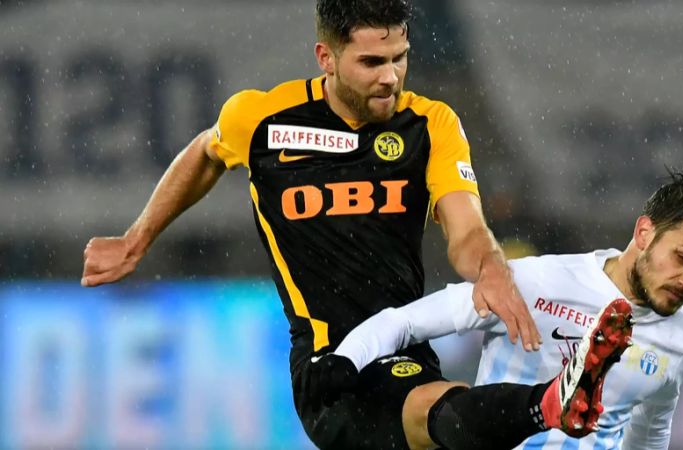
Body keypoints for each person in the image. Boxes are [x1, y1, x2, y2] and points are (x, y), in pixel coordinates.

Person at [76, 0, 609, 448]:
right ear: (326, 58)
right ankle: (549, 405)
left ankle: (552, 404)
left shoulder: (431, 124)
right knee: (436, 411)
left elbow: (465, 228)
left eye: (401, 58)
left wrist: (490, 266)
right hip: (328, 365)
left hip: (406, 346)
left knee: (440, 412)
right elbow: (206, 152)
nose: (391, 76)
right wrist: (137, 238)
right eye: (372, 61)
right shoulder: (263, 120)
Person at [308, 170, 683, 449]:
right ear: (643, 232)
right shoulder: (536, 282)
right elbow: (405, 321)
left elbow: (649, 433)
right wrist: (342, 361)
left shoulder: (682, 337)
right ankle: (549, 402)